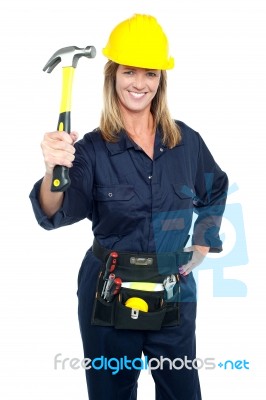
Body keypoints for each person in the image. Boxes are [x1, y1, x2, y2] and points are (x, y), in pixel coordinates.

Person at [30, 13, 228, 400]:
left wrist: (203, 241)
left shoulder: (187, 142)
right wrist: (52, 167)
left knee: (181, 392)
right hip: (108, 289)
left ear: (161, 80)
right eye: (130, 72)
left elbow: (216, 187)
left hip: (173, 288)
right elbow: (53, 212)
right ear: (113, 76)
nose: (140, 84)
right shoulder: (87, 150)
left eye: (150, 74)